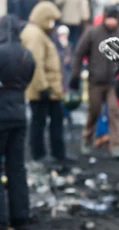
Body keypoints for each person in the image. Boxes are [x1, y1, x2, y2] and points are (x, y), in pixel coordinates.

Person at [70, 5, 119, 159]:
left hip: (113, 83)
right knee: (94, 111)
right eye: (108, 18)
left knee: (114, 113)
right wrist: (75, 76)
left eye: (113, 18)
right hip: (95, 81)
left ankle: (116, 145)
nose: (111, 21)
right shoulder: (93, 32)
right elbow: (78, 53)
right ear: (104, 17)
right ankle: (87, 139)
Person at [0, 15, 36, 230]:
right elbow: (28, 80)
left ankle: (1, 221)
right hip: (20, 114)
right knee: (17, 167)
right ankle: (20, 217)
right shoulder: (27, 54)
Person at [21, 1, 69, 163]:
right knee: (40, 123)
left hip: (48, 87)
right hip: (43, 88)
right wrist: (43, 87)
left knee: (50, 122)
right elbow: (37, 63)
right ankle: (40, 154)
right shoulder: (35, 35)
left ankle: (57, 153)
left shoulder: (38, 33)